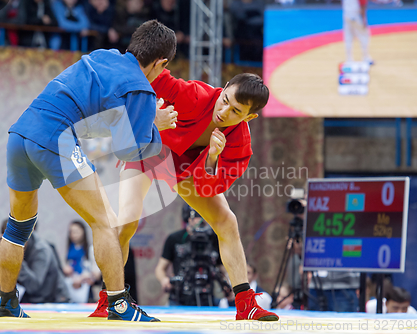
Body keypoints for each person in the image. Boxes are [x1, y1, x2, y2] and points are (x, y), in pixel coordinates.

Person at [0, 20, 177, 321]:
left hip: (21, 133)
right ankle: (119, 305)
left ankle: (7, 304)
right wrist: (153, 124)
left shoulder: (102, 55)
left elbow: (96, 118)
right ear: (161, 62)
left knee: (18, 226)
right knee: (104, 221)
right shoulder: (140, 89)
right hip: (56, 136)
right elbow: (128, 150)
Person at [92, 70, 279, 321]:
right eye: (225, 100)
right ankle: (109, 298)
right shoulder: (195, 94)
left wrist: (212, 157)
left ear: (250, 117)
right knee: (126, 221)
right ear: (223, 88)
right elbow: (154, 76)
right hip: (149, 153)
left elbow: (209, 188)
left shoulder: (239, 144)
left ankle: (246, 304)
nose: (224, 112)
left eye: (236, 111)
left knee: (227, 222)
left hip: (186, 172)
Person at [154, 205, 227, 306]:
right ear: (188, 218)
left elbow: (221, 267)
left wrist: (228, 284)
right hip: (179, 298)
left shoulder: (213, 238)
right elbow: (160, 268)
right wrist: (164, 280)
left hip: (207, 297)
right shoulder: (175, 238)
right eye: (198, 215)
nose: (202, 219)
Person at [0, 220, 70, 303]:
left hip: (54, 300)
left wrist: (17, 259)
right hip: (29, 301)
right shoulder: (5, 249)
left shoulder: (41, 249)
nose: (12, 244)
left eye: (15, 239)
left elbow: (34, 286)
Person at [63, 220, 101, 303]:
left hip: (86, 289)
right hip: (71, 287)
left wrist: (84, 276)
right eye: (71, 232)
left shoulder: (90, 249)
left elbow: (97, 273)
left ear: (83, 232)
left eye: (76, 232)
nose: (73, 235)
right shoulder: (69, 249)